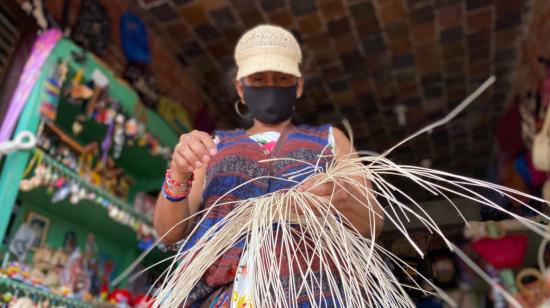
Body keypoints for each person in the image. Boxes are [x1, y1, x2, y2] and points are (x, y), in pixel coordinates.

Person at [154, 24, 384, 307]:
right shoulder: (214, 145)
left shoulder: (330, 139)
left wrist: (341, 197)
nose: (270, 86)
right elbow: (169, 233)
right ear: (241, 88)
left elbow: (371, 223)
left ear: (298, 86)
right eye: (258, 79)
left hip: (314, 292)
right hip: (217, 296)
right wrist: (179, 172)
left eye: (282, 78)